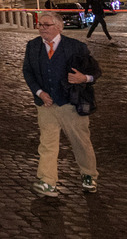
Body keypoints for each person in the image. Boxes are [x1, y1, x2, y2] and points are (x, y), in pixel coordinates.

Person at [21, 11, 101, 198]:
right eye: (40, 24)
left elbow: (96, 71)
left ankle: (89, 176)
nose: (42, 28)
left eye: (46, 25)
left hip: (70, 104)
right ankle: (47, 181)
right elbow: (28, 72)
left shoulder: (76, 47)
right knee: (47, 144)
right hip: (46, 105)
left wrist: (84, 78)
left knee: (81, 142)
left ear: (59, 27)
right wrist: (40, 93)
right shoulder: (32, 47)